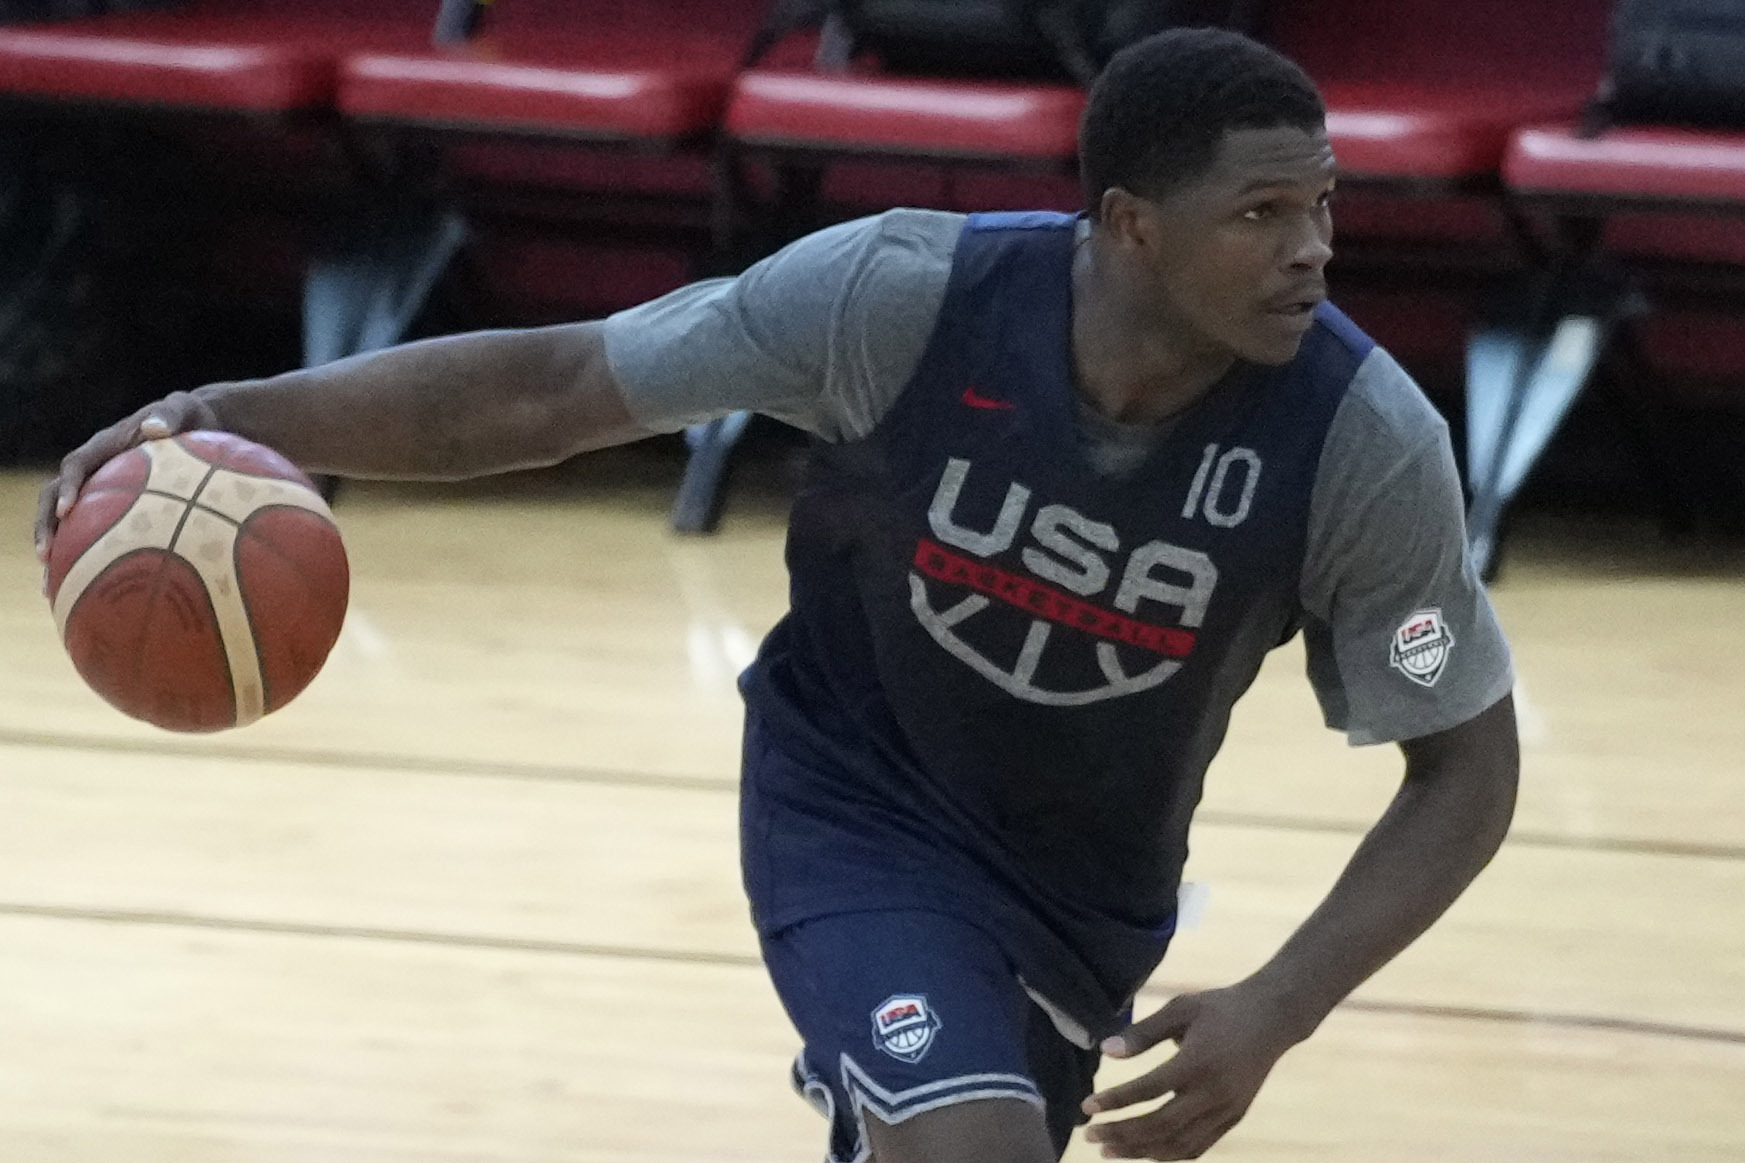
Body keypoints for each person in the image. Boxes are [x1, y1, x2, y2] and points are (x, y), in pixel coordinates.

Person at [33, 28, 1519, 1163]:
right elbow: (552, 388)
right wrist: (232, 413)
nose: (1313, 251)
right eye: (1262, 214)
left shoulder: (1360, 441)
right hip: (857, 804)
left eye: (1322, 205)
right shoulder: (898, 300)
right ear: (1130, 224)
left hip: (1084, 892)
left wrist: (1280, 1004)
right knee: (968, 1148)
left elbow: (1466, 765)